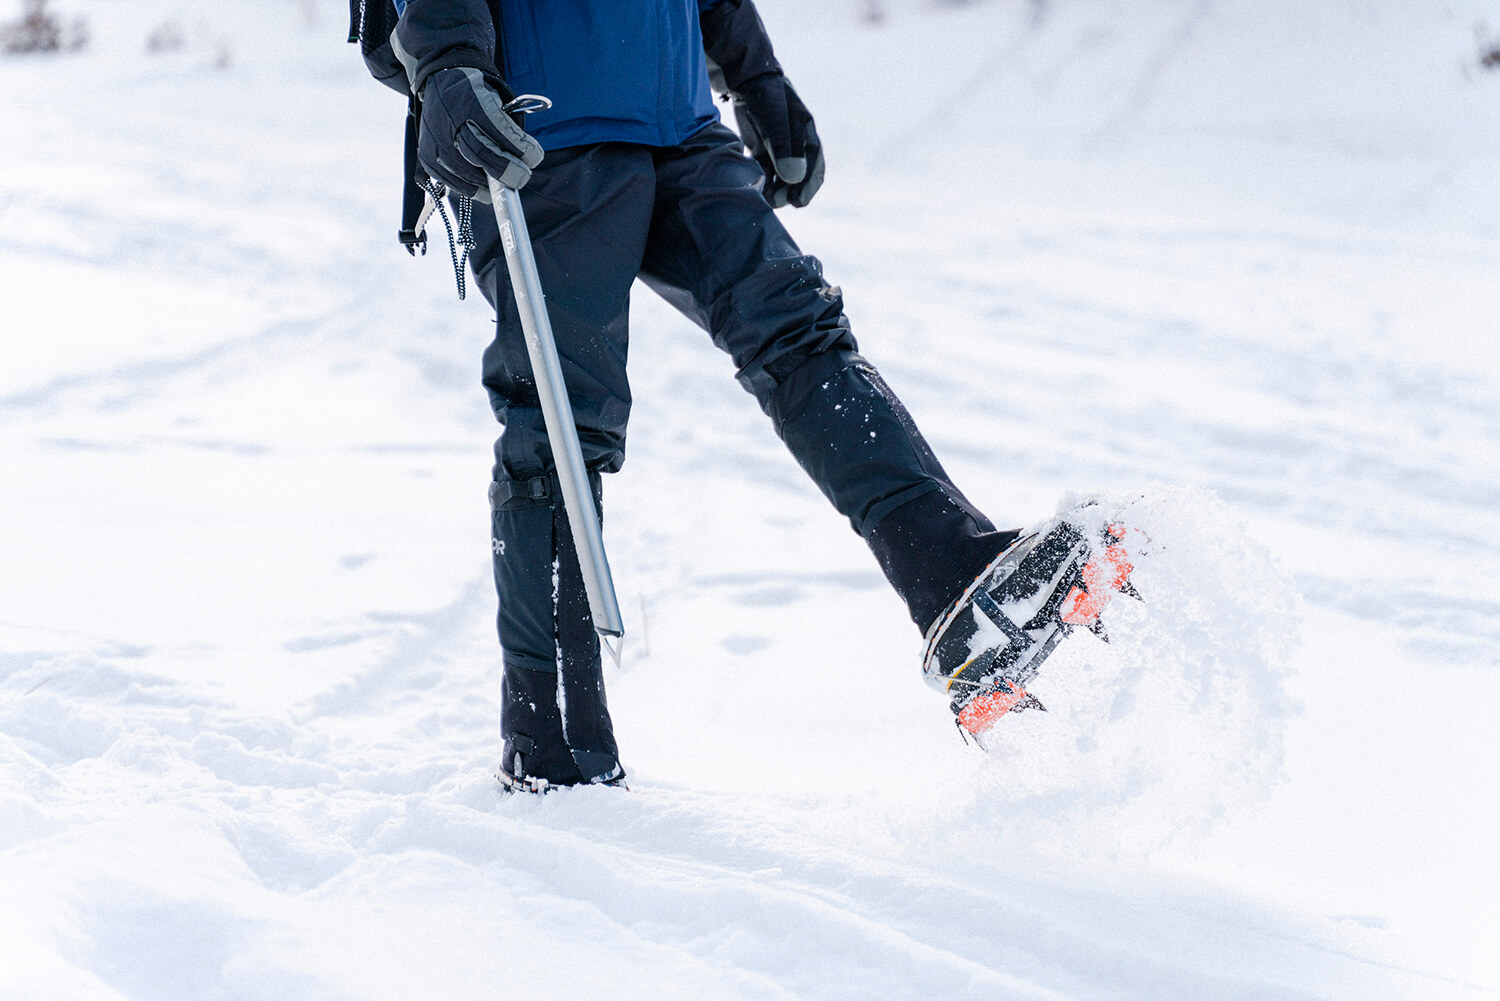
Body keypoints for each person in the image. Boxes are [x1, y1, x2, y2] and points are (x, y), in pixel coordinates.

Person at [353, 0, 1127, 791]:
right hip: (544, 133)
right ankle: (553, 746)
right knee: (559, 424)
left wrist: (757, 77)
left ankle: (951, 582)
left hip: (681, 125)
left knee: (800, 329)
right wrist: (447, 64)